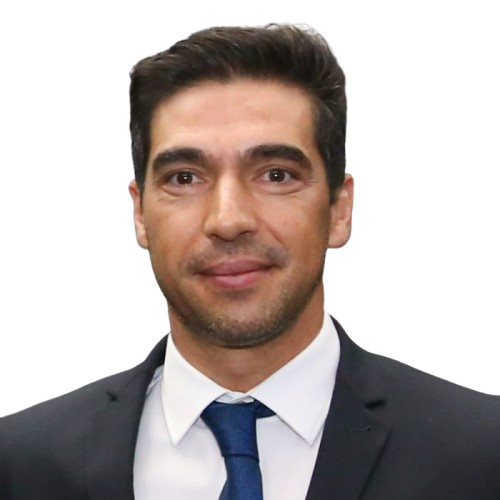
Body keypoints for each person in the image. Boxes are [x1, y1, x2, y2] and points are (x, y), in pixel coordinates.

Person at [1, 22, 499, 500]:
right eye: (184, 178)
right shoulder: (20, 464)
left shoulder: (482, 455)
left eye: (276, 174)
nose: (228, 219)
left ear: (339, 210)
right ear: (140, 213)